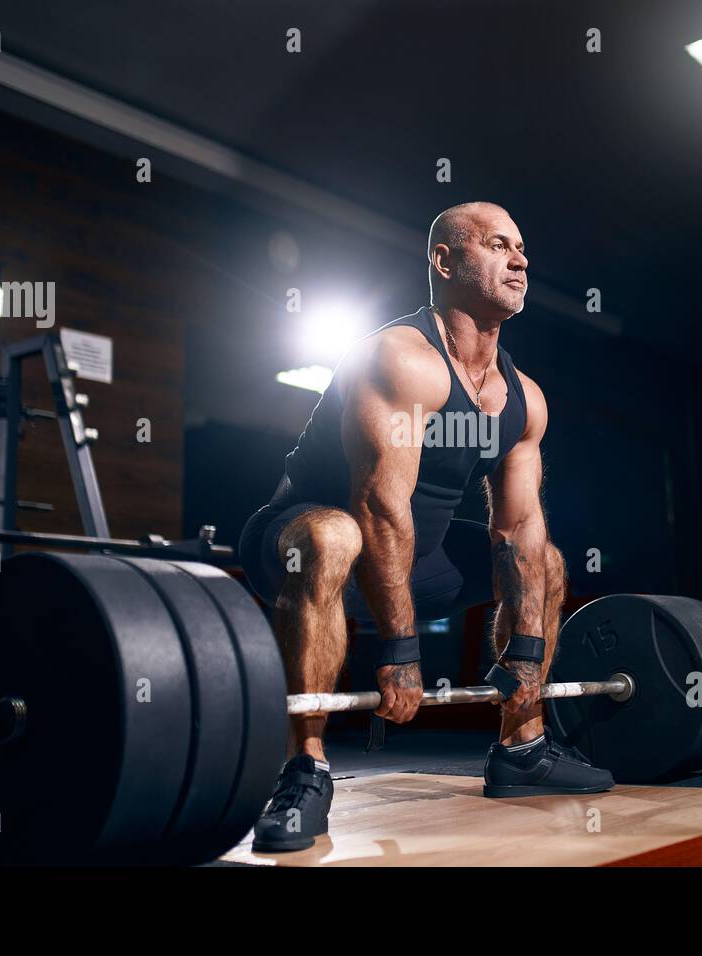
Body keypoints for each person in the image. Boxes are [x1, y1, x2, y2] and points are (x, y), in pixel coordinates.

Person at [238, 201, 612, 852]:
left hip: (416, 557)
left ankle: (523, 747)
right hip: (302, 541)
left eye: (522, 247)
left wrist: (525, 656)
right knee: (335, 535)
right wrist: (401, 652)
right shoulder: (400, 356)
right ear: (444, 260)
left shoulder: (522, 399)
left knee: (545, 561)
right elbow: (381, 507)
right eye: (497, 245)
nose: (520, 259)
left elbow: (517, 528)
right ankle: (306, 770)